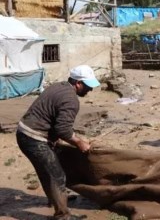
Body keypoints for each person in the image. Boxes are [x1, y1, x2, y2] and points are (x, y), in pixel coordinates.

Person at [16, 65, 101, 220]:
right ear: (78, 83)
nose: (90, 90)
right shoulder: (71, 99)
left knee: (47, 170)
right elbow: (63, 130)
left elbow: (56, 123)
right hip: (34, 138)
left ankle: (57, 199)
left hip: (25, 132)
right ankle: (62, 215)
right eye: (88, 86)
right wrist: (80, 143)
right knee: (56, 175)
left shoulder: (59, 86)